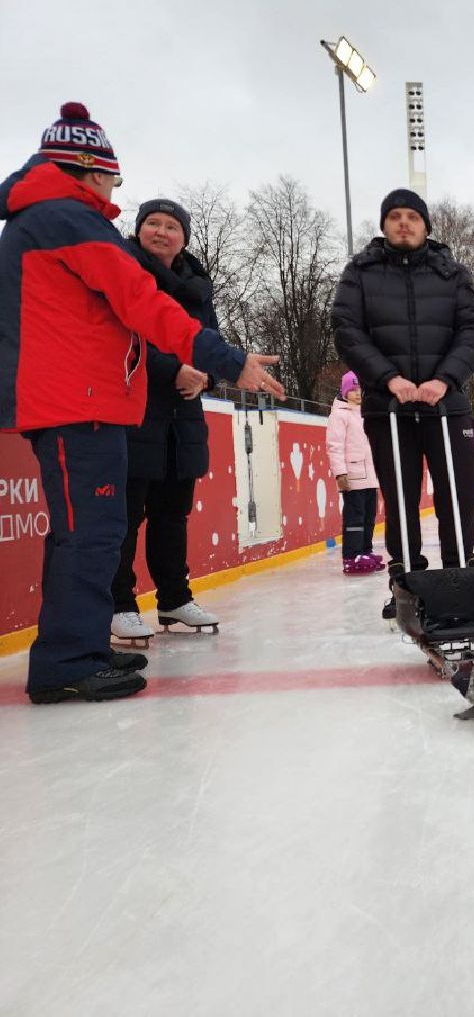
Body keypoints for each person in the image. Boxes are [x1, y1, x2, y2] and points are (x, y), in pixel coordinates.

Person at [0, 103, 284, 703]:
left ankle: (74, 646)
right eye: (112, 179)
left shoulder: (46, 219)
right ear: (89, 171)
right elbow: (144, 305)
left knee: (85, 533)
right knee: (91, 534)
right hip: (78, 401)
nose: (113, 192)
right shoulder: (68, 218)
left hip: (76, 398)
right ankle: (65, 664)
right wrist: (230, 362)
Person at [331, 189, 474, 614]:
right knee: (400, 497)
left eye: (412, 216)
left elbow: (472, 330)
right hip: (389, 408)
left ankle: (459, 577)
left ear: (426, 226)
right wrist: (388, 379)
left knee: (456, 495)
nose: (403, 223)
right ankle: (406, 580)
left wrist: (445, 379)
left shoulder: (451, 274)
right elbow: (347, 330)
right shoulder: (360, 273)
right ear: (383, 225)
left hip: (446, 406)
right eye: (395, 216)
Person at [109, 199, 225, 646]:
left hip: (183, 413)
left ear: (184, 237)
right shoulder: (123, 271)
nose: (161, 231)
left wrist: (208, 376)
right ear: (138, 230)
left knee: (172, 513)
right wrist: (170, 370)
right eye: (152, 223)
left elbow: (209, 341)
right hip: (135, 407)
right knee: (127, 513)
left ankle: (174, 597)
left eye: (171, 225)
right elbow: (125, 334)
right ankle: (120, 602)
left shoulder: (197, 286)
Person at [326, 371, 384, 574]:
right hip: (352, 476)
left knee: (369, 516)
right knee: (355, 517)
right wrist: (340, 474)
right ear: (345, 391)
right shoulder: (339, 415)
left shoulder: (364, 413)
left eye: (360, 389)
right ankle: (351, 556)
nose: (358, 393)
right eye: (353, 389)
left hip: (370, 476)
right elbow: (334, 446)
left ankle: (365, 551)